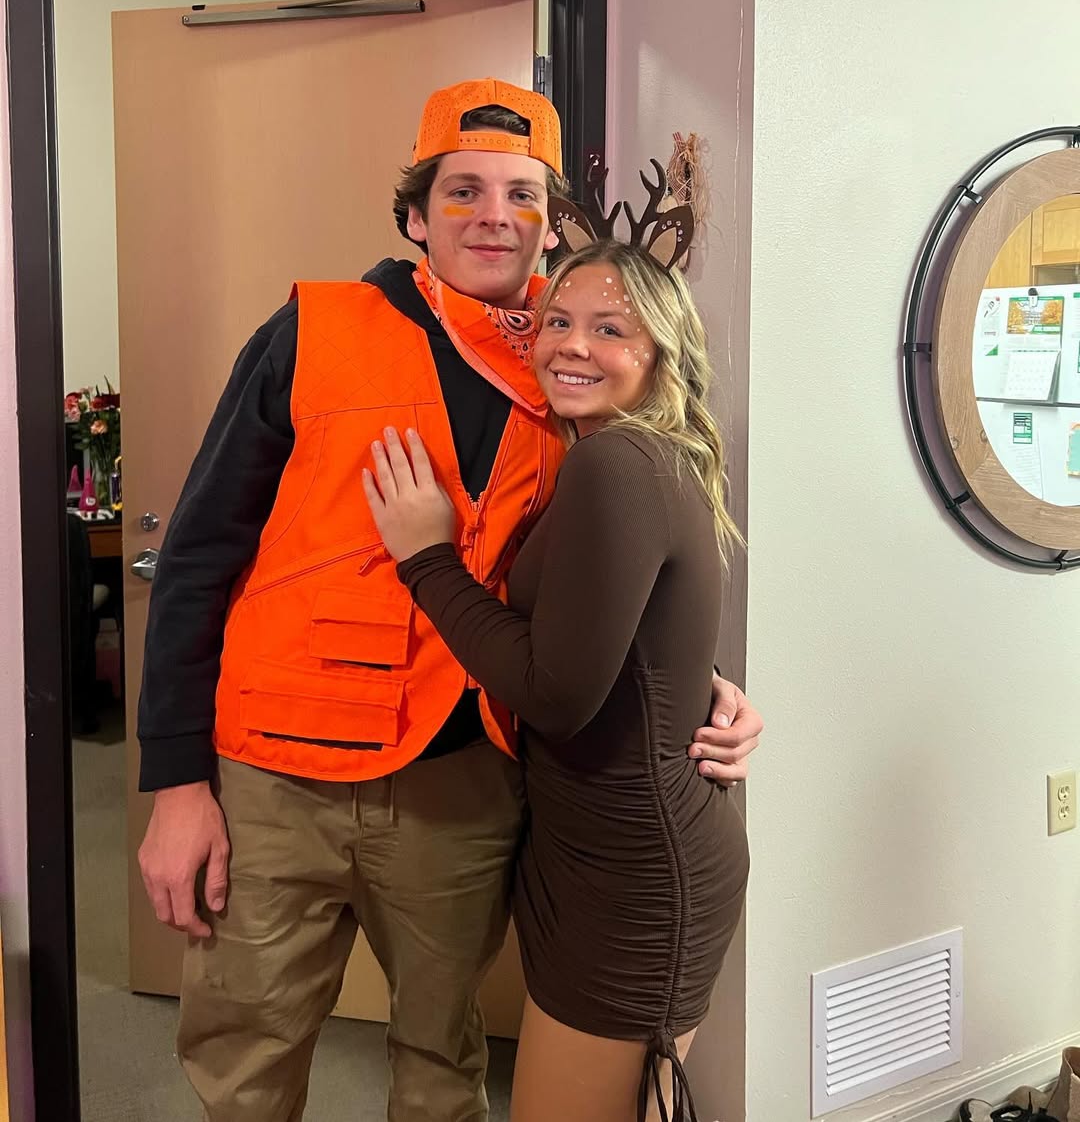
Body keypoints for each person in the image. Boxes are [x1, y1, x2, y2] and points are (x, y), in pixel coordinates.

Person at [136, 78, 762, 1122]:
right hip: (277, 781)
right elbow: (198, 554)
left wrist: (702, 685)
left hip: (461, 788)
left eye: (522, 196)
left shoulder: (570, 370)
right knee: (244, 1065)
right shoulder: (312, 331)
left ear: (550, 226)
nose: (493, 216)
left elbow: (606, 579)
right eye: (462, 190)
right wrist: (175, 783)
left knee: (443, 1067)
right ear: (416, 217)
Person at [362, 231, 749, 1122]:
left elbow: (555, 694)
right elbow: (636, 640)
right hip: (606, 854)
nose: (573, 345)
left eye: (610, 328)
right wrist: (713, 682)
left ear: (661, 353)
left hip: (632, 874)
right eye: (558, 321)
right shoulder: (635, 456)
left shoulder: (618, 464)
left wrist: (426, 560)